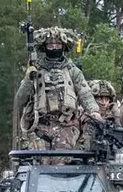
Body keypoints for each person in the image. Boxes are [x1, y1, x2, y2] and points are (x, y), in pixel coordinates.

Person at [14, 27, 101, 156]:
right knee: (39, 163)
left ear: (64, 46)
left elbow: (85, 94)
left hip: (65, 127)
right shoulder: (36, 70)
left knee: (62, 163)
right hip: (39, 128)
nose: (54, 47)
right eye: (50, 45)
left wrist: (94, 111)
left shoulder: (72, 71)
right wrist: (28, 79)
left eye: (58, 44)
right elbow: (20, 100)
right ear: (44, 47)